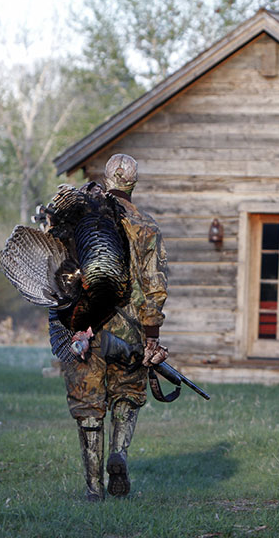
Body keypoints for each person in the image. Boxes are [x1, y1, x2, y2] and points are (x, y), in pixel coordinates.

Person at [62, 153, 170, 501]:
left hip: (85, 329)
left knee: (88, 405)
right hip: (132, 333)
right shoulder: (147, 226)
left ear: (108, 179)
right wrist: (152, 338)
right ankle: (119, 453)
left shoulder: (81, 218)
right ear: (133, 183)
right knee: (128, 394)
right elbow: (155, 286)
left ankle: (94, 489)